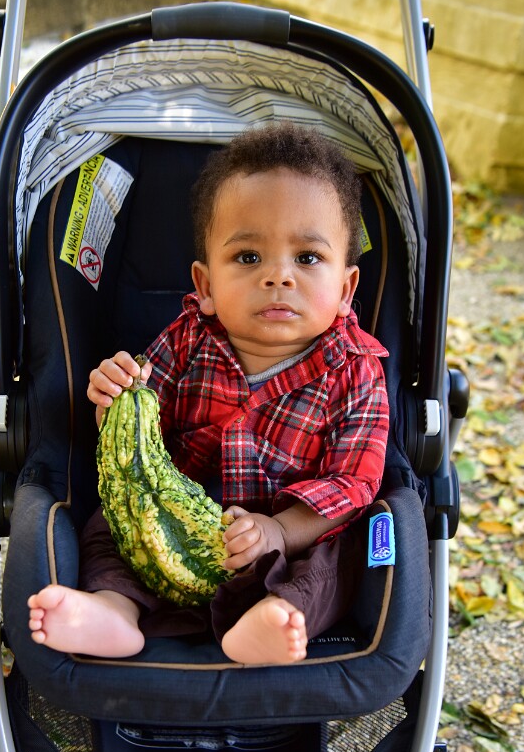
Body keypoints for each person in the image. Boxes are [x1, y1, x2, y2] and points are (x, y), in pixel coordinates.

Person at [28, 121, 389, 665]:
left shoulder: (357, 372)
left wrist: (278, 531)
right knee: (107, 523)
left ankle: (271, 621)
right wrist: (112, 396)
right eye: (248, 257)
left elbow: (353, 483)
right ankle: (113, 609)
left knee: (342, 558)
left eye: (307, 258)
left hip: (285, 548)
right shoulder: (187, 340)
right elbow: (137, 433)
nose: (278, 277)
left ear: (346, 289)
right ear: (205, 286)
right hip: (170, 535)